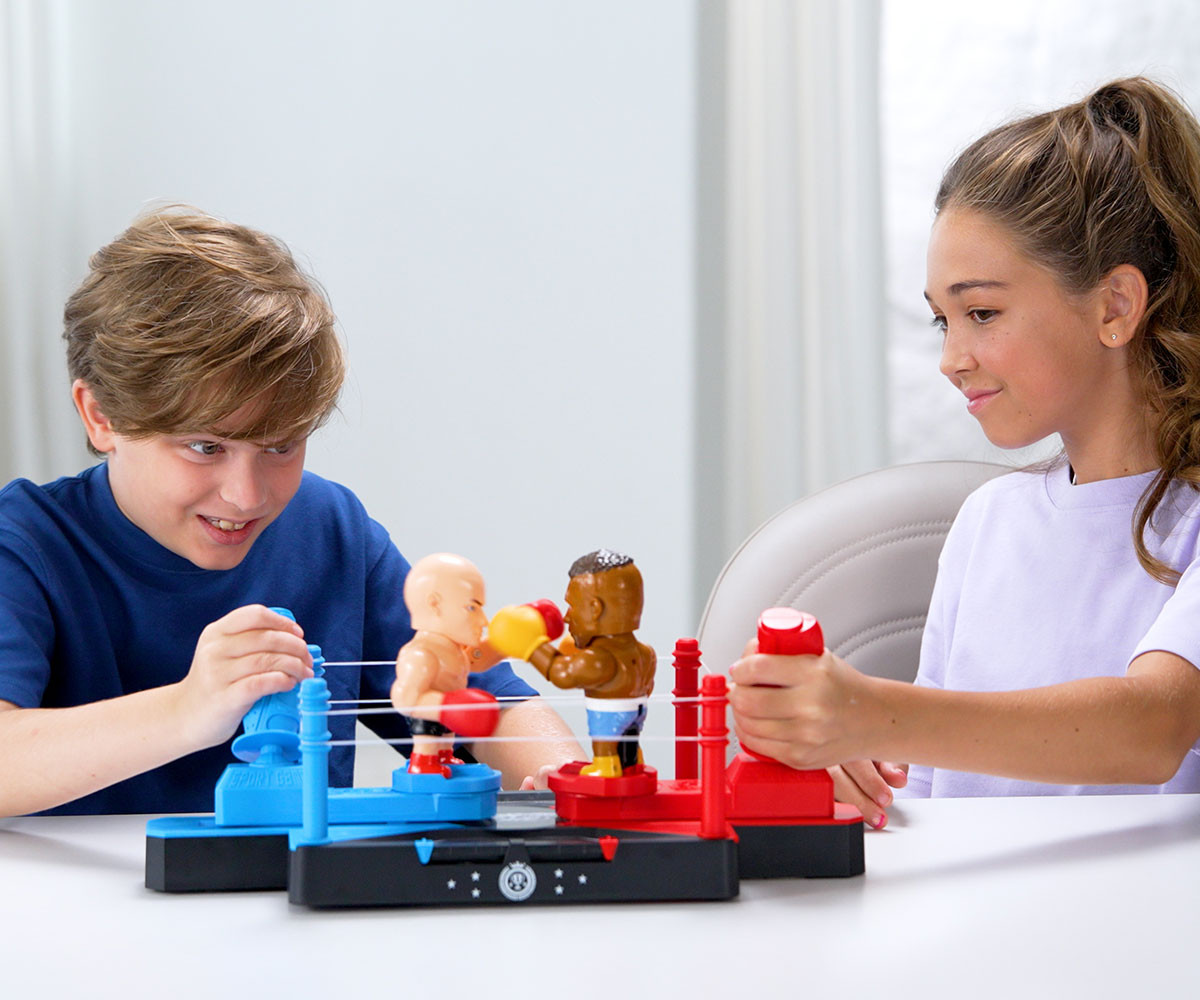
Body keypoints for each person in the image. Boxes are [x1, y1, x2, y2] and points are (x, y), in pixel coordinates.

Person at [729, 77, 1200, 829]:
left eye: (981, 312)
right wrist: (851, 777)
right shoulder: (987, 523)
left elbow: (1153, 730)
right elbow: (926, 795)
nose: (952, 359)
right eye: (941, 321)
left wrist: (871, 713)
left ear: (1115, 305)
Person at [0, 207, 580, 817]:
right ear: (101, 417)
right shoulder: (25, 542)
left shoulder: (331, 529)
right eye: (205, 447)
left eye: (280, 446)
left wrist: (563, 782)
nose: (247, 496)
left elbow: (490, 703)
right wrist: (186, 709)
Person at [490, 549, 656, 778]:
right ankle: (632, 763)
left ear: (595, 610)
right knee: (629, 745)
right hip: (635, 715)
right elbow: (648, 687)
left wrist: (532, 646)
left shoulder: (599, 660)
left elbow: (561, 673)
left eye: (572, 605)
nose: (566, 616)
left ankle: (606, 765)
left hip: (609, 720)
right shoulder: (645, 653)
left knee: (607, 742)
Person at [390, 552, 504, 777]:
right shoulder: (420, 654)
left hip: (449, 720)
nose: (484, 621)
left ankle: (443, 755)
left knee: (445, 736)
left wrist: (508, 643)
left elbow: (477, 660)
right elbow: (404, 698)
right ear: (435, 605)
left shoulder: (454, 648)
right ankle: (423, 761)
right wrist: (448, 705)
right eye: (472, 608)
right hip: (431, 718)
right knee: (429, 735)